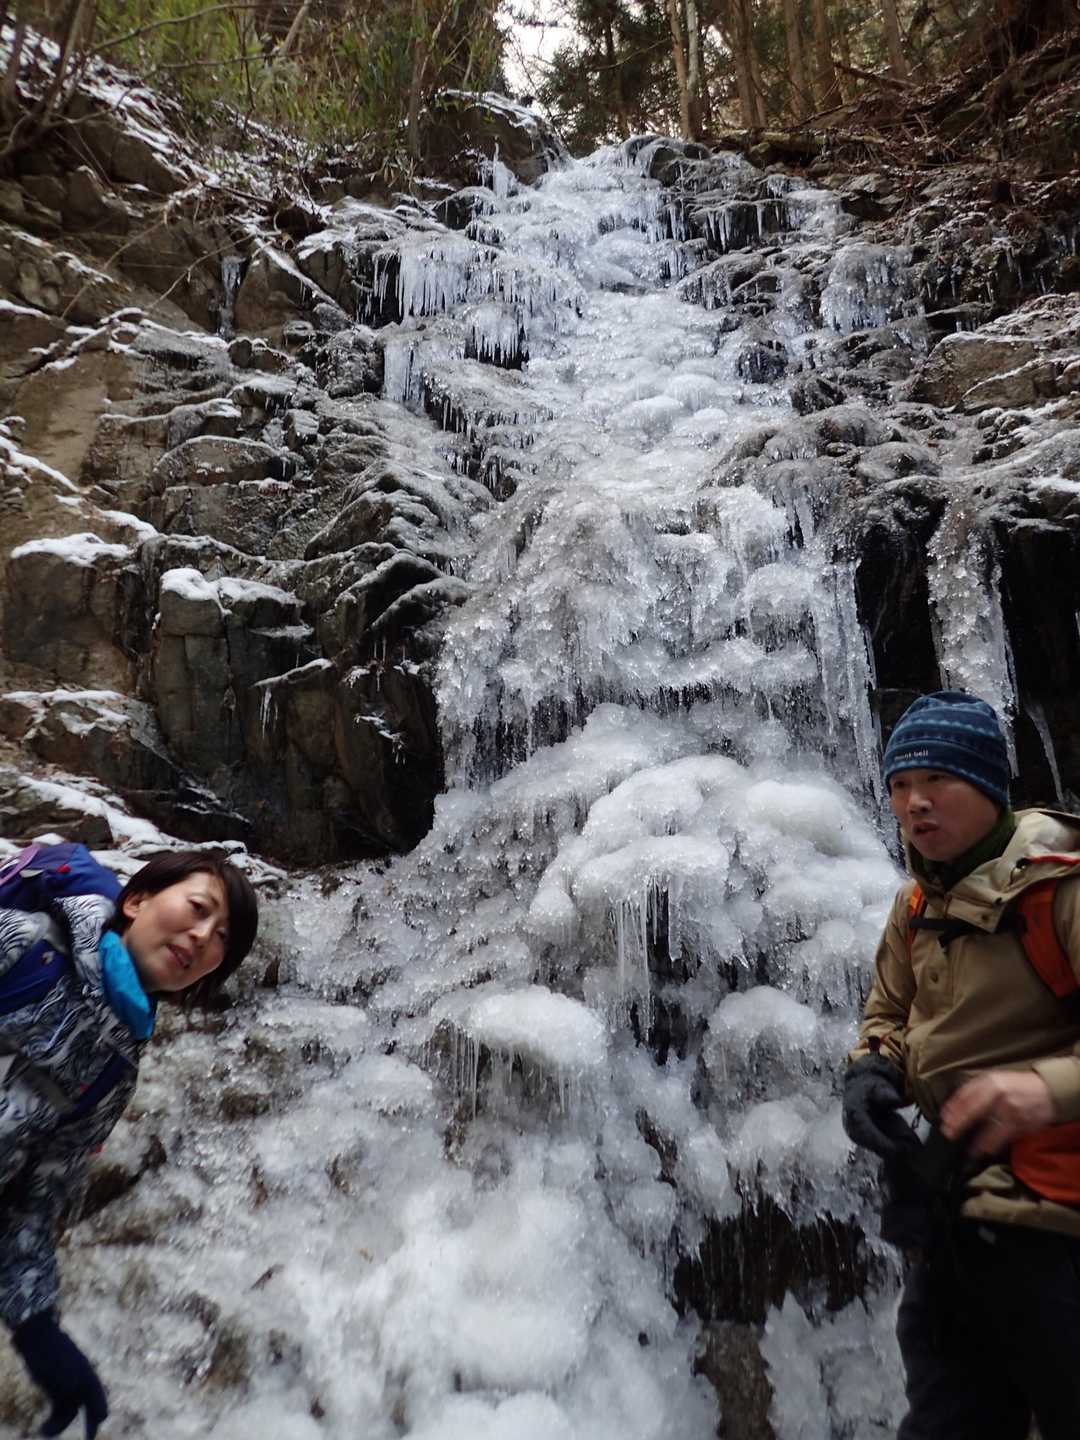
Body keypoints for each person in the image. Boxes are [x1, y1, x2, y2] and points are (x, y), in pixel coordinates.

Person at [842, 690, 1080, 1440]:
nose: (914, 802)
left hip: (1056, 1217)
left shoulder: (1061, 887)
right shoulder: (914, 906)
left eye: (936, 779)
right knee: (947, 1417)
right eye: (899, 785)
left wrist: (1042, 1090)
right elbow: (889, 1013)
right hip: (952, 1213)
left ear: (987, 784)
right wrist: (872, 1072)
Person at [0, 848, 258, 1439]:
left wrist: (37, 1328)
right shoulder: (25, 943)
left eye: (222, 939)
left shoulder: (113, 1072)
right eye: (199, 909)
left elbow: (31, 1204)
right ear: (136, 900)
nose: (202, 937)